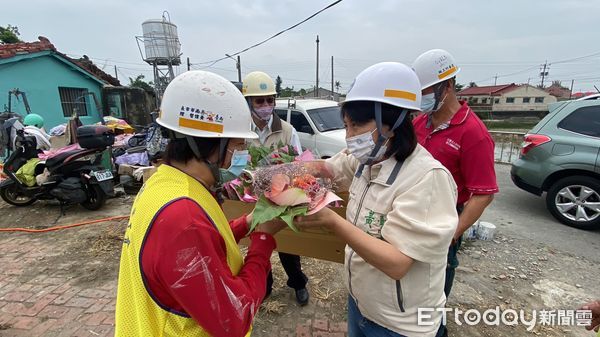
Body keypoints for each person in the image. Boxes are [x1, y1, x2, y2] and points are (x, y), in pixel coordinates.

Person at [115, 70, 285, 337]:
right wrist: (263, 240)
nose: (242, 154)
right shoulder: (183, 217)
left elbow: (206, 240)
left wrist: (250, 222)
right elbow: (235, 319)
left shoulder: (166, 183)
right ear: (207, 145)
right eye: (239, 145)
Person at [296, 62, 458, 337]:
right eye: (346, 125)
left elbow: (397, 263)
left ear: (392, 123)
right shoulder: (368, 160)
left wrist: (332, 222)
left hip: (401, 325)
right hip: (362, 304)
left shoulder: (427, 178)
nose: (349, 136)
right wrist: (278, 174)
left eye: (357, 124)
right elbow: (328, 169)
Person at [412, 49, 499, 336]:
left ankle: (434, 328)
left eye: (424, 92)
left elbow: (483, 193)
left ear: (446, 87)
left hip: (445, 216)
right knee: (410, 275)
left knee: (436, 279)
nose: (419, 99)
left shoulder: (473, 134)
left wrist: (454, 232)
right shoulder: (418, 123)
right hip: (412, 210)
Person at [241, 71, 310, 306]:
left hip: (281, 198)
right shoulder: (242, 131)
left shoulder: (287, 130)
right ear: (249, 103)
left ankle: (298, 282)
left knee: (288, 247)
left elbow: (299, 164)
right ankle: (265, 286)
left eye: (270, 100)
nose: (266, 106)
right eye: (259, 101)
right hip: (252, 200)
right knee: (260, 243)